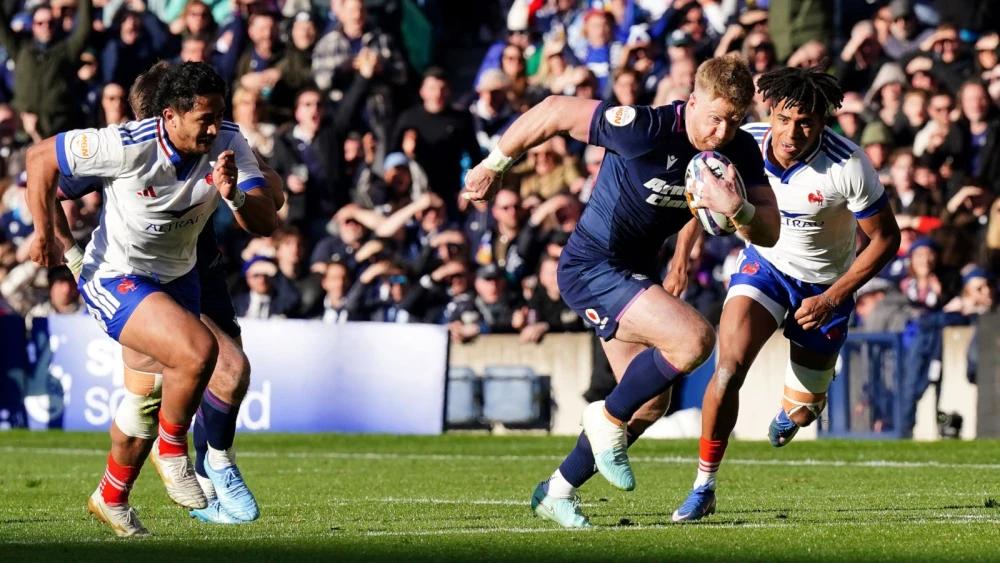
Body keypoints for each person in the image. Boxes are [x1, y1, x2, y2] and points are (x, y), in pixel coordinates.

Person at [463, 54, 780, 528]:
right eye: (715, 118)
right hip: (591, 266)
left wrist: (739, 211)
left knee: (651, 403)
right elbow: (554, 110)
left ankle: (557, 491)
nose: (722, 132)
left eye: (734, 121)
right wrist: (495, 164)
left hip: (633, 274)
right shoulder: (645, 128)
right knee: (694, 340)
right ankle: (607, 417)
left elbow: (770, 229)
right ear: (692, 101)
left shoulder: (739, 151)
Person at [26, 62, 277, 537]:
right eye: (204, 118)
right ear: (169, 116)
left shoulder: (227, 140)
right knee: (199, 353)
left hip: (181, 279)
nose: (214, 127)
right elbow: (40, 159)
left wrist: (236, 195)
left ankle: (111, 497)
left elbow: (268, 220)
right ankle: (176, 451)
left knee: (145, 402)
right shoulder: (125, 144)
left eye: (218, 116)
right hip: (118, 276)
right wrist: (53, 241)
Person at [671, 66, 901, 522]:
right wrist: (681, 258)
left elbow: (887, 239)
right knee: (727, 369)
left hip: (825, 287)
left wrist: (832, 298)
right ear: (771, 111)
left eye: (806, 123)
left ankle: (797, 408)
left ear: (823, 122)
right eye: (784, 119)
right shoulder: (744, 144)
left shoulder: (847, 165)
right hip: (765, 268)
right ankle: (704, 486)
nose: (792, 133)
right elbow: (701, 191)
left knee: (801, 413)